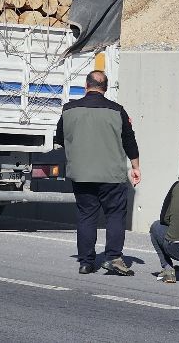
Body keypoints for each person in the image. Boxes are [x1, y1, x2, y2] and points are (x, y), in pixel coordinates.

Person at [55, 70, 141, 276]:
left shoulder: (68, 110)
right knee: (115, 216)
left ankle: (86, 262)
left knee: (86, 216)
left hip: (82, 174)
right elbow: (130, 141)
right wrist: (136, 167)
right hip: (112, 175)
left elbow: (59, 138)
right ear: (106, 88)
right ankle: (113, 258)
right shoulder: (117, 110)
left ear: (86, 86)